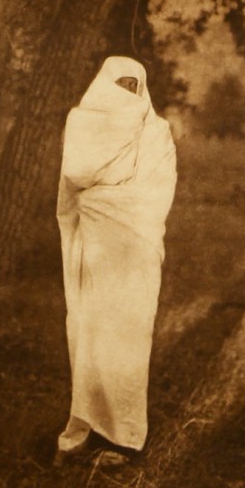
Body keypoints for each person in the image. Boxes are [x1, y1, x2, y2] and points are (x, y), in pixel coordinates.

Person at [54, 56, 177, 462]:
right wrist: (108, 194)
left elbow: (157, 193)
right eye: (118, 84)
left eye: (133, 86)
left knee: (127, 339)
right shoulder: (83, 121)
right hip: (97, 249)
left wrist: (111, 198)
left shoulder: (157, 134)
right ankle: (86, 425)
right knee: (90, 335)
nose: (126, 94)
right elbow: (76, 172)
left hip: (136, 250)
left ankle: (123, 437)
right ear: (101, 84)